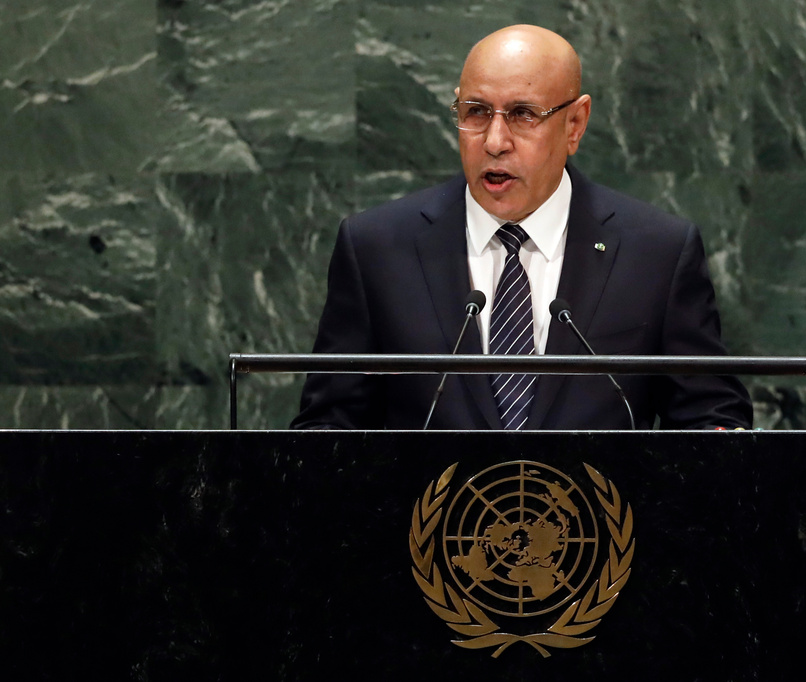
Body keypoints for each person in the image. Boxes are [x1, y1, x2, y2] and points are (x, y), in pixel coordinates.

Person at [291, 25, 752, 430]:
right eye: (475, 112)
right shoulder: (377, 248)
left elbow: (710, 417)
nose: (494, 142)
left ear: (575, 124)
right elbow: (328, 426)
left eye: (522, 115)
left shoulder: (657, 252)